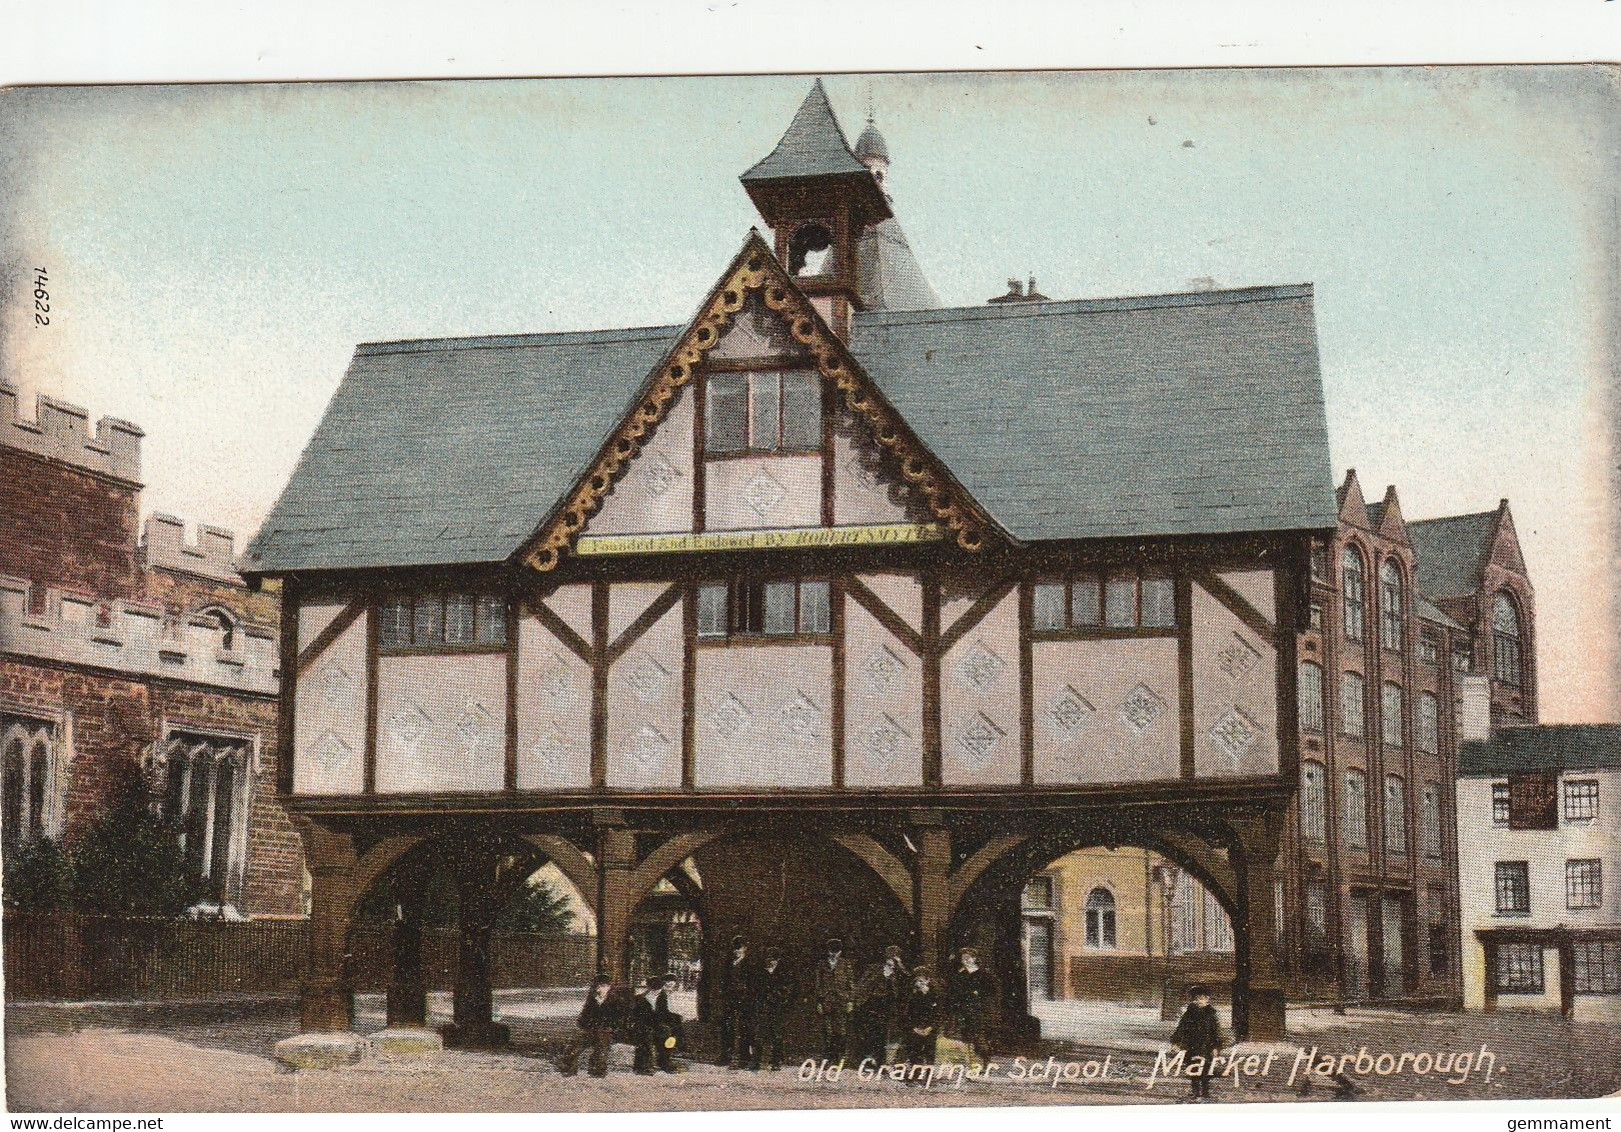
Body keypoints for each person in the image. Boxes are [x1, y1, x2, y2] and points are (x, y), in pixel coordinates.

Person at [559, 974, 623, 1078]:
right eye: (597, 986)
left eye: (602, 986)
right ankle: (568, 1068)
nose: (599, 989)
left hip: (606, 1030)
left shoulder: (615, 1000)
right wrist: (584, 1025)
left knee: (601, 1049)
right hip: (591, 1029)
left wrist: (611, 1028)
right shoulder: (592, 999)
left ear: (609, 987)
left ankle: (597, 1071)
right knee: (574, 1046)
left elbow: (619, 1018)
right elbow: (585, 1014)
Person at [1169, 984, 1225, 1102]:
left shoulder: (1211, 1014)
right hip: (1191, 1046)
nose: (1199, 1001)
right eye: (1196, 998)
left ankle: (1205, 1091)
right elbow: (1181, 1028)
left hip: (1206, 1046)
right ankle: (1195, 1091)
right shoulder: (1189, 1013)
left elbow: (1216, 1031)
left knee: (1206, 1069)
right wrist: (1176, 1042)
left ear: (1207, 999)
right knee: (1193, 1068)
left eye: (1202, 998)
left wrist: (1216, 1047)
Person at [855, 945, 907, 1066]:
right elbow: (863, 985)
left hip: (886, 1006)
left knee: (882, 1033)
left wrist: (900, 966)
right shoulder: (875, 969)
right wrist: (883, 975)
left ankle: (879, 1061)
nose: (893, 962)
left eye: (896, 959)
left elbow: (908, 979)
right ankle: (865, 1060)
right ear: (886, 958)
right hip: (871, 1004)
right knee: (868, 1033)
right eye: (892, 959)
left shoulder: (896, 973)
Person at [945, 947, 997, 1063]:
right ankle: (972, 1062)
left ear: (974, 959)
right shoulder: (960, 974)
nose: (966, 960)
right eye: (964, 958)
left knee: (978, 1036)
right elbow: (953, 991)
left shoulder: (983, 974)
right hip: (963, 1009)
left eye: (969, 958)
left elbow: (992, 990)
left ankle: (984, 1060)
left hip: (979, 1009)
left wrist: (979, 993)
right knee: (966, 1037)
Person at [812, 936, 858, 1063]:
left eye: (836, 951)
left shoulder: (846, 964)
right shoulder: (821, 964)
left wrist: (850, 1001)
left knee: (841, 1029)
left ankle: (840, 1056)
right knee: (827, 1030)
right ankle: (828, 1056)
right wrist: (819, 1002)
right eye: (831, 951)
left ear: (840, 952)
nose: (834, 954)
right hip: (826, 1000)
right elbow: (817, 984)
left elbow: (851, 984)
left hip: (842, 1000)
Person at [716, 935, 758, 1068]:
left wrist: (747, 996)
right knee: (727, 1027)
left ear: (745, 949)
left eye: (739, 949)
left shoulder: (750, 964)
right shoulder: (728, 963)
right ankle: (726, 1056)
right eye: (734, 949)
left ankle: (744, 1058)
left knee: (745, 1028)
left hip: (745, 1001)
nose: (736, 951)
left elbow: (753, 985)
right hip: (730, 999)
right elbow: (723, 981)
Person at [752, 945, 793, 1071]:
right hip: (762, 1006)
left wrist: (776, 996)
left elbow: (789, 988)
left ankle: (776, 1061)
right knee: (759, 1034)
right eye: (768, 959)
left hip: (777, 1007)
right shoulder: (760, 972)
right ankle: (757, 1061)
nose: (769, 961)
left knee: (777, 1035)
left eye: (772, 959)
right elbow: (755, 987)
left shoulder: (784, 972)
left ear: (777, 960)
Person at [632, 974, 683, 1074]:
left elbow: (663, 1013)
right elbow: (637, 1016)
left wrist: (675, 1019)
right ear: (649, 988)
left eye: (659, 990)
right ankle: (643, 1065)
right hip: (643, 1025)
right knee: (646, 1035)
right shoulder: (640, 999)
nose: (657, 993)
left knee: (668, 1033)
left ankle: (664, 1061)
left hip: (657, 1024)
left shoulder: (662, 997)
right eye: (654, 990)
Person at [900, 965, 941, 1076]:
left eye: (922, 981)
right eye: (917, 981)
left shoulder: (935, 995)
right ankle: (915, 1072)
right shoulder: (912, 996)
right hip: (915, 1028)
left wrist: (930, 1027)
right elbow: (906, 1014)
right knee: (914, 1050)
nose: (919, 983)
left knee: (929, 1051)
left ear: (928, 980)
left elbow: (939, 1014)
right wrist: (914, 1028)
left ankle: (928, 1073)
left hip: (930, 1028)